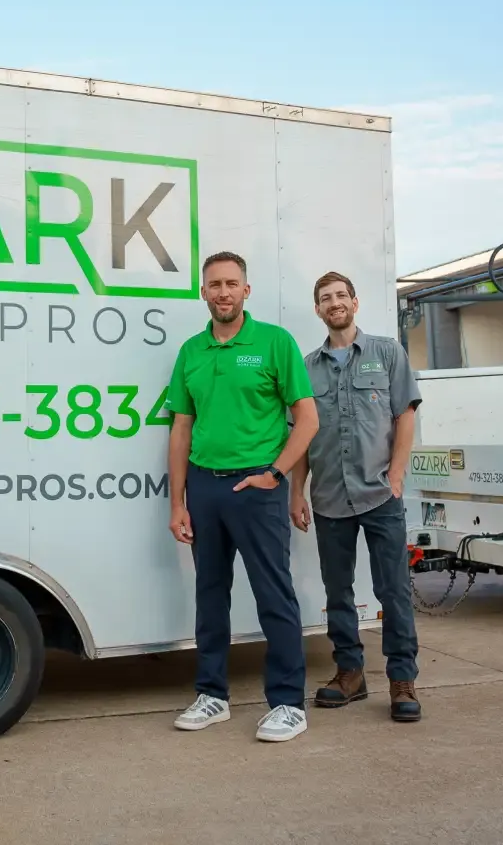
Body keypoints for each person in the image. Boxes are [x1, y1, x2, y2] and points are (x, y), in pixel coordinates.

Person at [166, 251, 319, 742]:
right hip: (205, 485)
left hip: (257, 484)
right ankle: (212, 695)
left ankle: (288, 703)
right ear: (203, 292)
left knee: (273, 594)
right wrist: (177, 501)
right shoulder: (191, 351)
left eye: (232, 283)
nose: (223, 292)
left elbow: (308, 419)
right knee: (210, 595)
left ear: (246, 291)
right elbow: (180, 429)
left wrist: (276, 474)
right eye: (214, 284)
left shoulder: (275, 343)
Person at [290, 271, 424, 722]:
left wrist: (398, 473)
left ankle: (402, 680)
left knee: (393, 591)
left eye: (341, 296)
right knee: (338, 591)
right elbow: (302, 437)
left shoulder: (387, 353)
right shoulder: (306, 368)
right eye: (325, 298)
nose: (334, 303)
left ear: (355, 302)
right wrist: (297, 491)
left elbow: (404, 415)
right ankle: (350, 673)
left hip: (380, 494)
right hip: (329, 497)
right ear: (317, 309)